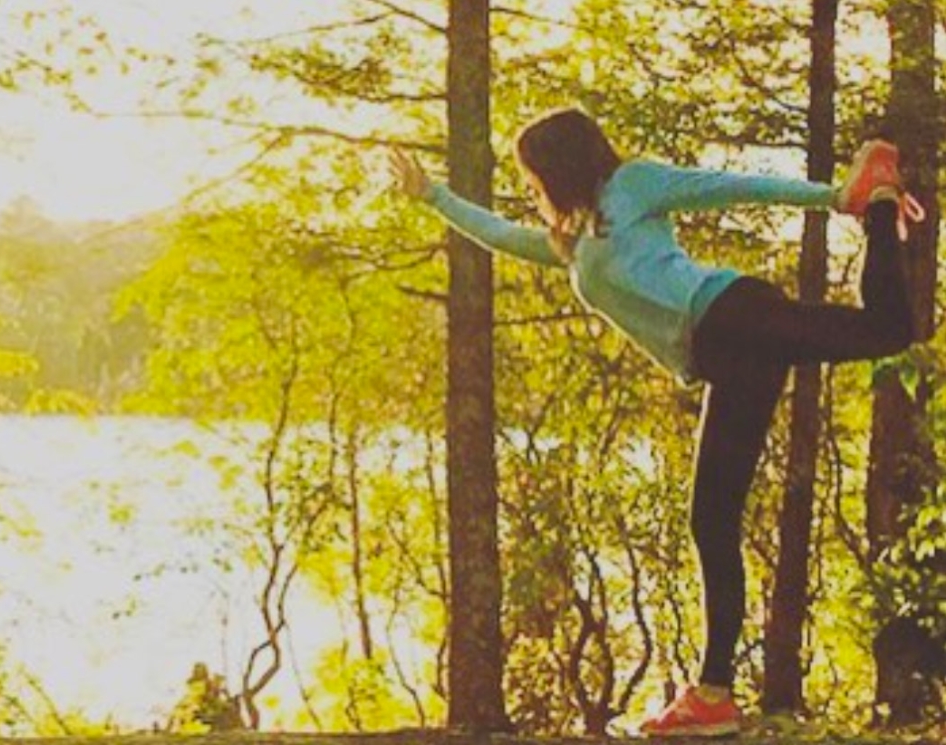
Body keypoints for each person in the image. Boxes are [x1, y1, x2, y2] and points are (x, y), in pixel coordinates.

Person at [388, 107, 924, 737]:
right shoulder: (577, 239)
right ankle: (714, 697)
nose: (534, 190)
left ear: (559, 166)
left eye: (536, 176)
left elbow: (723, 183)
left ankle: (876, 197)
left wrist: (834, 197)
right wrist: (433, 196)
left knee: (887, 330)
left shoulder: (631, 187)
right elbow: (504, 234)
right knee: (712, 519)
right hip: (724, 356)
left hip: (730, 313)